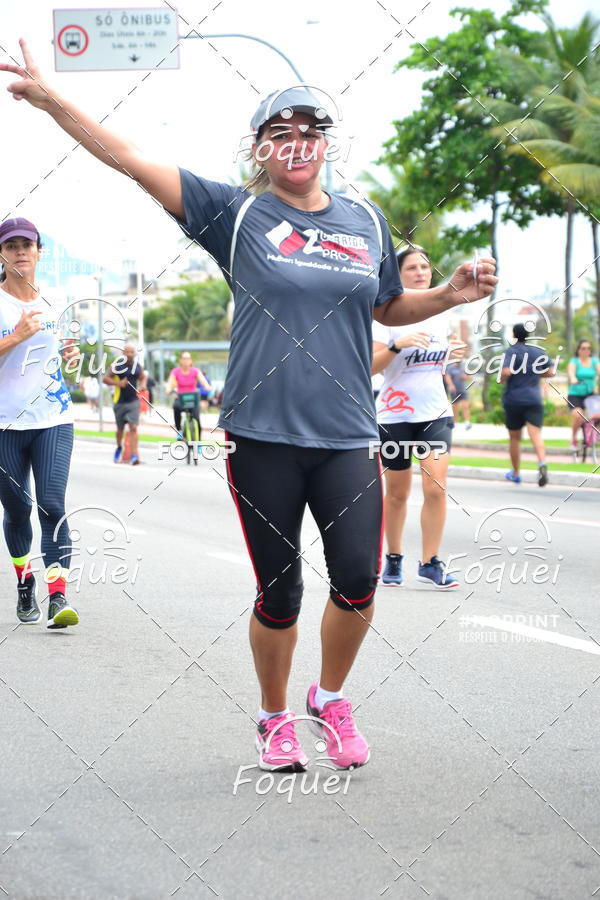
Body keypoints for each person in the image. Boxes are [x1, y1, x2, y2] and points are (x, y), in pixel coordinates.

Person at [1, 46, 497, 770]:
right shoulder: (234, 213)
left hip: (347, 433)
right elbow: (131, 158)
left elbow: (388, 304)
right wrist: (52, 102)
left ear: (325, 144)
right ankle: (272, 716)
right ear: (261, 148)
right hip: (262, 437)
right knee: (283, 589)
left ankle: (328, 697)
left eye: (310, 129)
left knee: (358, 579)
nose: (297, 142)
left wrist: (448, 295)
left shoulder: (364, 220)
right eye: (280, 131)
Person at [0, 217, 80, 628]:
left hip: (54, 418)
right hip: (4, 427)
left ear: (39, 251)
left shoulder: (59, 298)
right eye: (11, 246)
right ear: (2, 253)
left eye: (26, 245)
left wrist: (72, 358)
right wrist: (14, 336)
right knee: (17, 510)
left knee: (52, 506)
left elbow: (68, 354)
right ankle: (24, 582)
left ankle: (58, 597)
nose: (19, 252)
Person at [373, 245, 463, 590]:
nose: (422, 272)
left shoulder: (442, 312)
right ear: (399, 274)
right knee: (397, 493)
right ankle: (393, 558)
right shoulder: (384, 314)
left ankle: (430, 562)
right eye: (412, 267)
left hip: (435, 412)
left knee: (436, 489)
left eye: (425, 266)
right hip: (395, 415)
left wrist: (454, 354)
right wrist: (399, 345)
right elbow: (371, 366)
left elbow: (439, 364)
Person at [501, 323, 555, 486]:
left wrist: (503, 379)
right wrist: (536, 373)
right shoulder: (537, 351)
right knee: (536, 434)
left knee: (515, 438)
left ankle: (516, 473)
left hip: (514, 399)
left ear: (514, 335)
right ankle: (542, 463)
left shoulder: (511, 351)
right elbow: (551, 371)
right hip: (534, 399)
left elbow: (506, 372)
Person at [103, 343, 146, 465]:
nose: (129, 354)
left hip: (133, 401)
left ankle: (133, 455)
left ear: (135, 354)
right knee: (120, 429)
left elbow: (143, 377)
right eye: (127, 352)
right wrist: (118, 383)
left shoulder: (138, 367)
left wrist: (142, 386)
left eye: (131, 352)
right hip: (119, 402)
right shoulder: (117, 366)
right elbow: (105, 378)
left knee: (133, 427)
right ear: (123, 353)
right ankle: (119, 448)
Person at [166, 351, 210, 439]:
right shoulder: (176, 372)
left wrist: (207, 386)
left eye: (188, 359)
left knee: (197, 420)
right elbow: (169, 384)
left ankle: (199, 443)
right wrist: (169, 390)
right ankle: (179, 430)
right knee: (176, 406)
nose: (186, 361)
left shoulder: (195, 371)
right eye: (184, 359)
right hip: (181, 398)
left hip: (193, 398)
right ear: (180, 361)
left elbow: (203, 381)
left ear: (191, 361)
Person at [567, 340, 600, 450]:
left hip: (590, 394)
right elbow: (571, 371)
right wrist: (573, 378)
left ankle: (593, 435)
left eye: (588, 348)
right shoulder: (574, 361)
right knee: (578, 415)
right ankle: (573, 439)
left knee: (597, 415)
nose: (586, 350)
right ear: (579, 350)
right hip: (575, 394)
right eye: (583, 348)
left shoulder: (595, 361)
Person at [444, 359, 471, 429]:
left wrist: (465, 377)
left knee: (465, 406)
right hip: (454, 391)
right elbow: (447, 377)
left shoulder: (464, 367)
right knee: (455, 407)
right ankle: (456, 422)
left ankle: (467, 422)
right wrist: (450, 385)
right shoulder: (451, 368)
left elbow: (470, 377)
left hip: (463, 390)